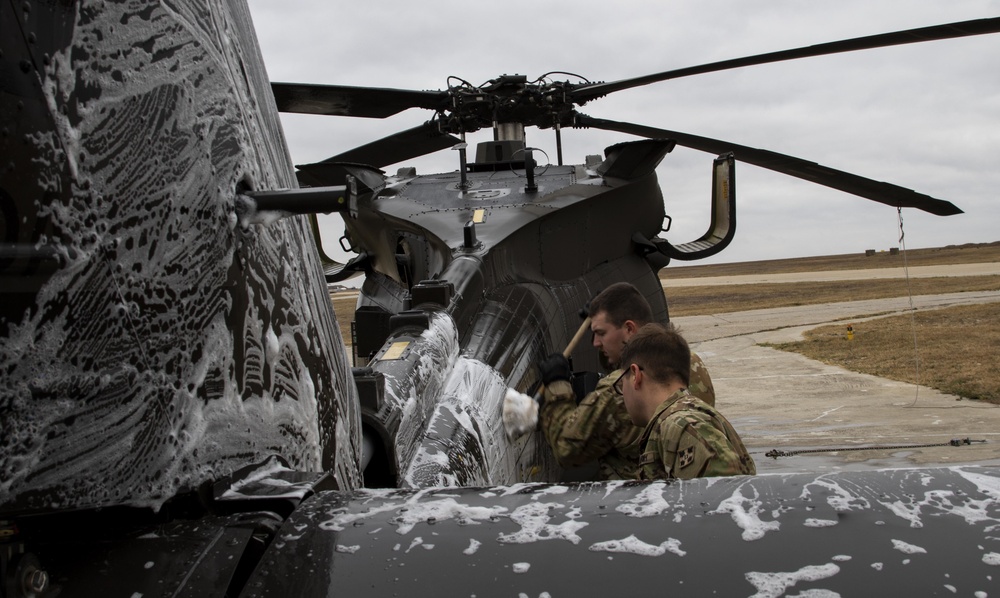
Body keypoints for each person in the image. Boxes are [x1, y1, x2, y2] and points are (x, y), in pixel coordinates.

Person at [537, 282, 715, 479]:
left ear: (629, 328)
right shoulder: (690, 361)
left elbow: (566, 449)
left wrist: (557, 385)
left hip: (637, 499)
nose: (595, 343)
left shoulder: (620, 388)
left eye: (601, 333)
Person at [617, 323, 755, 480]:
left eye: (622, 383)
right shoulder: (673, 423)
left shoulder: (683, 425)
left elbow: (724, 496)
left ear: (635, 375)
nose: (622, 393)